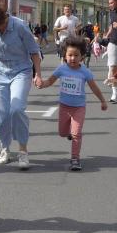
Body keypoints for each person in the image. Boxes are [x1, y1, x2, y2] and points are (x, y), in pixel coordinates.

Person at [0, 0, 43, 169]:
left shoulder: (19, 26)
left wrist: (38, 75)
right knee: (1, 114)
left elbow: (34, 52)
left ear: (0, 18)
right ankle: (5, 148)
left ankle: (23, 151)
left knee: (17, 109)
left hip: (21, 70)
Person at [38, 37, 107, 171]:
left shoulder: (85, 71)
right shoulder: (61, 69)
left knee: (76, 134)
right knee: (62, 133)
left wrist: (103, 101)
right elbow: (50, 81)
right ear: (65, 55)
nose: (73, 58)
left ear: (82, 56)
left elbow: (94, 87)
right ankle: (69, 132)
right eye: (70, 55)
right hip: (64, 107)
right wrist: (42, 84)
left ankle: (75, 158)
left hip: (79, 108)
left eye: (76, 55)